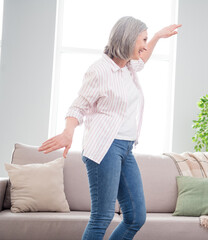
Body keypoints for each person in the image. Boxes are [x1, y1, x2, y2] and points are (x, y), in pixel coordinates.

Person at [38, 16, 181, 240]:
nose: (144, 46)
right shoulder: (99, 70)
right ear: (127, 39)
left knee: (135, 218)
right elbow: (78, 106)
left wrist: (156, 37)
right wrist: (68, 132)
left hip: (125, 148)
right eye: (141, 40)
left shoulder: (128, 67)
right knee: (102, 217)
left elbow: (143, 59)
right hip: (104, 148)